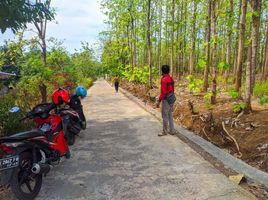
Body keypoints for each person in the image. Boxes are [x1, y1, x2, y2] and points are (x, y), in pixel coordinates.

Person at [156, 65, 176, 136]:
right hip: (172, 98)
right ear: (168, 71)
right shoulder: (170, 78)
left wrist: (159, 101)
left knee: (165, 115)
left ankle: (164, 131)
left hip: (166, 99)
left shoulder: (164, 79)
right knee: (170, 114)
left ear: (162, 71)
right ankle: (172, 130)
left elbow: (163, 92)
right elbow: (173, 89)